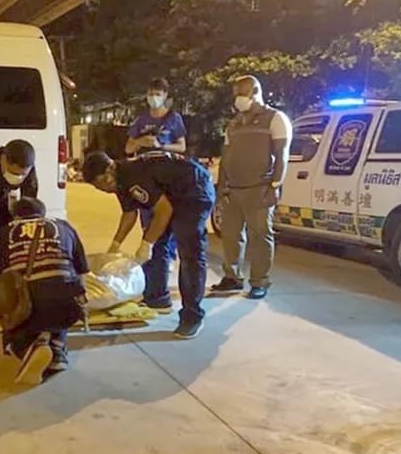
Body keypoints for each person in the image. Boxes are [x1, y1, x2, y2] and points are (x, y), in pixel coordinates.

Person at [82, 150, 214, 339]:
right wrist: (115, 244)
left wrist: (146, 244)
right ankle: (158, 298)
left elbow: (164, 211)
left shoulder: (134, 175)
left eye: (104, 181)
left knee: (189, 250)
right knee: (157, 241)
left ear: (111, 167)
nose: (105, 188)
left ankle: (192, 316)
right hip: (172, 193)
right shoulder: (119, 180)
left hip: (194, 190)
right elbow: (130, 212)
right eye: (99, 186)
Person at [0, 197, 88, 385]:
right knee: (62, 284)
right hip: (67, 307)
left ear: (16, 216)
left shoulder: (7, 231)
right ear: (43, 214)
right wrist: (81, 300)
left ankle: (24, 347)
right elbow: (82, 269)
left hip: (28, 306)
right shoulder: (63, 226)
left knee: (8, 295)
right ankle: (57, 350)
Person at [210, 75, 292, 300]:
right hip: (234, 189)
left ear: (256, 92)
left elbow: (282, 155)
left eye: (242, 93)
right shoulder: (234, 123)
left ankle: (260, 281)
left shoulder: (275, 119)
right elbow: (226, 156)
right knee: (230, 236)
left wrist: (275, 185)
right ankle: (232, 278)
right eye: (236, 93)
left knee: (260, 236)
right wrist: (222, 187)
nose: (238, 98)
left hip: (260, 187)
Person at [124, 77, 188, 300]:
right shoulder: (141, 120)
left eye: (158, 94)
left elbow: (182, 147)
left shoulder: (174, 119)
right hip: (145, 178)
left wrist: (161, 146)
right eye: (151, 93)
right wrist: (141, 142)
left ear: (166, 96)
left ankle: (162, 270)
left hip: (168, 178)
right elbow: (128, 147)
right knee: (148, 223)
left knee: (165, 226)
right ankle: (153, 266)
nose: (154, 97)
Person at [0, 139, 38, 231]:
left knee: (6, 225)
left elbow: (29, 202)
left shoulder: (27, 165)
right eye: (13, 173)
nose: (18, 178)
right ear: (3, 159)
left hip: (1, 193)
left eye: (22, 175)